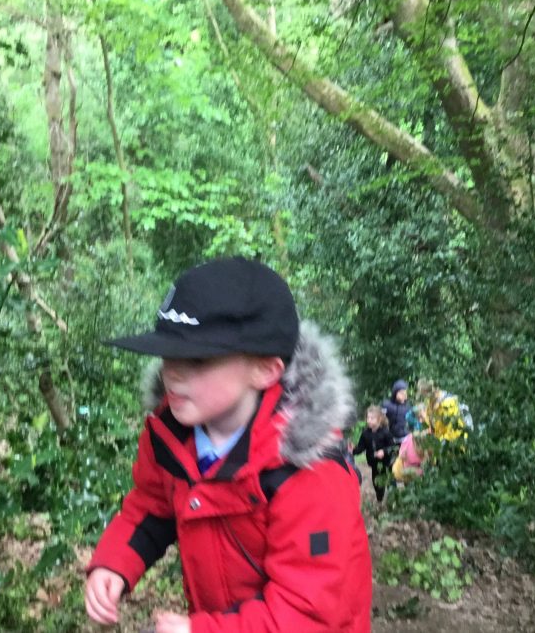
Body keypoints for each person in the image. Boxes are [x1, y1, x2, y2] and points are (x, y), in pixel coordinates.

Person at [85, 257, 372, 632]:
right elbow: (152, 506)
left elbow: (307, 613)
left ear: (265, 370)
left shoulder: (308, 474)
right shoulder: (171, 436)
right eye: (168, 353)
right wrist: (115, 563)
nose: (173, 372)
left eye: (198, 359)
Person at [352, 405, 395, 502]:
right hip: (375, 464)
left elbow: (392, 447)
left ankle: (393, 498)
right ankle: (380, 500)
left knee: (390, 480)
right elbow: (361, 448)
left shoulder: (385, 433)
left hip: (387, 463)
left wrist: (384, 451)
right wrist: (352, 450)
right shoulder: (365, 433)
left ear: (379, 419)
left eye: (372, 418)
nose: (369, 420)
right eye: (368, 418)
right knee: (377, 483)